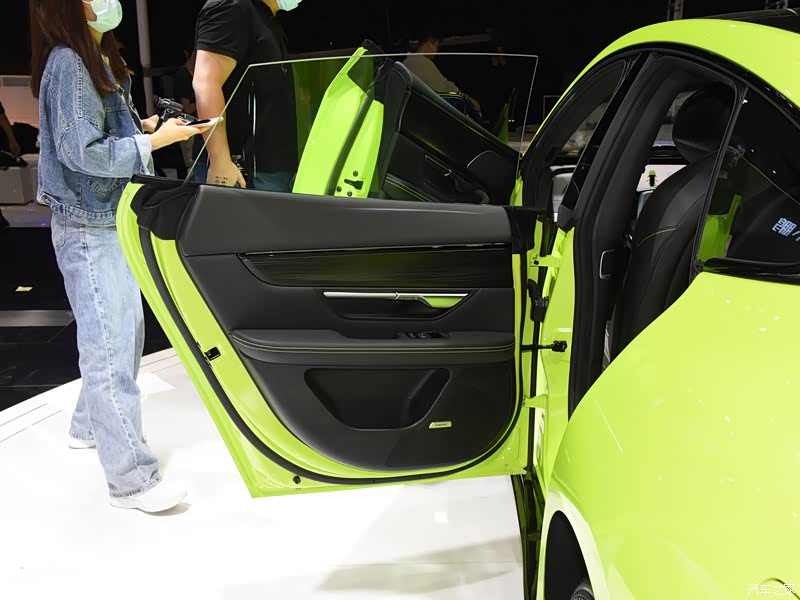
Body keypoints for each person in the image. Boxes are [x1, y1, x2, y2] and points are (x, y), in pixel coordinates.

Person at [30, 0, 209, 512]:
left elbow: (96, 135)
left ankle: (86, 427)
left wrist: (147, 129)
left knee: (118, 336)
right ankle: (131, 481)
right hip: (89, 225)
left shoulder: (94, 54)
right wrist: (153, 143)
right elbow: (81, 152)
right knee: (111, 347)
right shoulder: (70, 60)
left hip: (106, 217)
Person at [193, 0, 301, 191]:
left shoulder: (265, 17)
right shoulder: (231, 7)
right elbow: (206, 83)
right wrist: (220, 161)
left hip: (272, 168)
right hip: (243, 171)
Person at [404, 31, 481, 112]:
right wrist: (469, 100)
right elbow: (444, 86)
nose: (436, 50)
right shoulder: (422, 62)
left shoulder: (407, 62)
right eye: (436, 46)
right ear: (429, 44)